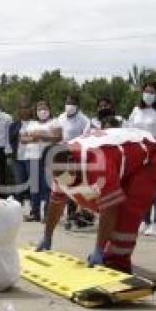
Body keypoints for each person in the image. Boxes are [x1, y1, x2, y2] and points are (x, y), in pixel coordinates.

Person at [36, 128, 156, 273]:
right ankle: (109, 251)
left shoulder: (97, 164)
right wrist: (47, 236)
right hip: (122, 158)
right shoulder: (58, 165)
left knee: (125, 213)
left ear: (72, 162)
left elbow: (109, 210)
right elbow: (56, 203)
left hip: (151, 157)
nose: (61, 178)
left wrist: (99, 249)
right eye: (56, 174)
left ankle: (118, 261)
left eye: (63, 173)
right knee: (89, 197)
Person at [126, 80, 156, 236]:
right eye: (146, 91)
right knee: (141, 189)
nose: (148, 95)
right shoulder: (136, 110)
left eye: (152, 92)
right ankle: (144, 220)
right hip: (138, 152)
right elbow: (129, 128)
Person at [54, 94, 91, 229]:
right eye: (67, 102)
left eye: (72, 103)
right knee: (61, 186)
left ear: (77, 105)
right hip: (61, 154)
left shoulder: (84, 120)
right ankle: (62, 214)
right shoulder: (60, 117)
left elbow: (86, 138)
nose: (69, 105)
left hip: (76, 155)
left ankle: (74, 214)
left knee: (74, 186)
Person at [20, 100, 59, 222]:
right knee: (34, 187)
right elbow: (22, 138)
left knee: (47, 187)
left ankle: (48, 214)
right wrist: (34, 137)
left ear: (49, 110)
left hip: (47, 158)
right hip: (31, 157)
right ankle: (34, 213)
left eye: (45, 108)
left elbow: (57, 137)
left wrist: (42, 136)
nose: (42, 111)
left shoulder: (54, 122)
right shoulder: (30, 124)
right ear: (36, 111)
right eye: (39, 109)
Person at [8, 99, 32, 205]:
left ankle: (34, 209)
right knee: (19, 184)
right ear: (18, 110)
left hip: (32, 159)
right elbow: (11, 140)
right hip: (18, 159)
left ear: (30, 109)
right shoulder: (14, 125)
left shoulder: (35, 123)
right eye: (21, 108)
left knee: (33, 184)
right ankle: (18, 207)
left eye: (26, 107)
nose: (24, 110)